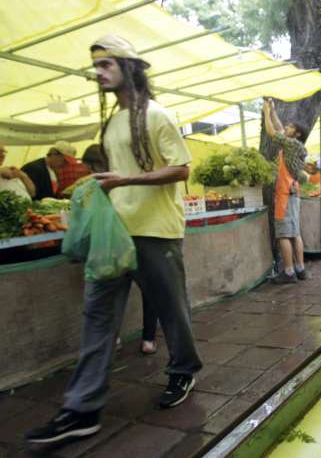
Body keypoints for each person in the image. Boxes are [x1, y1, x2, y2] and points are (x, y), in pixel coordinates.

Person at [26, 34, 203, 445]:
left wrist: (126, 179)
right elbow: (118, 171)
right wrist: (101, 186)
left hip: (156, 231)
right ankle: (81, 409)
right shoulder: (112, 122)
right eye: (96, 66)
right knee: (97, 315)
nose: (98, 72)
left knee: (171, 309)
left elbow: (181, 169)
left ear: (130, 66)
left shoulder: (157, 115)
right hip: (116, 232)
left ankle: (183, 371)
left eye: (106, 65)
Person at [263, 98, 308, 284]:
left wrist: (266, 112)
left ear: (296, 134)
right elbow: (280, 129)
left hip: (285, 194)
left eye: (290, 127)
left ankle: (288, 272)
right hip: (293, 192)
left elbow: (273, 133)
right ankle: (301, 269)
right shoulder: (295, 145)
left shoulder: (291, 144)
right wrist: (273, 111)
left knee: (283, 234)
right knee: (295, 233)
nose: (286, 128)